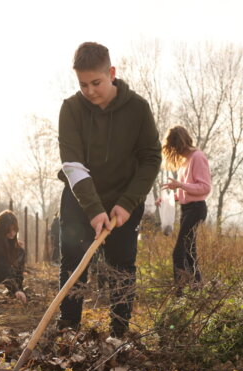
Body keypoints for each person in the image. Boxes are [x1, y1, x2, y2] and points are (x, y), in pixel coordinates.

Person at [57, 42, 161, 337]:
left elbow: (151, 158)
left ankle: (119, 331)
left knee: (122, 264)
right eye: (83, 84)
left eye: (96, 82)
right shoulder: (71, 109)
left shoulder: (138, 108)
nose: (89, 91)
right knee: (73, 259)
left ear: (112, 73)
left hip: (123, 201)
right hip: (80, 198)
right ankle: (67, 327)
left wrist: (128, 203)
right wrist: (92, 209)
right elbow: (73, 164)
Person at [158, 125, 210, 289]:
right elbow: (185, 192)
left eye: (175, 148)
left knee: (178, 254)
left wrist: (180, 184)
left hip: (196, 209)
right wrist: (168, 200)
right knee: (189, 253)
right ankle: (197, 289)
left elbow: (204, 188)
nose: (175, 152)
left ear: (180, 144)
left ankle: (179, 295)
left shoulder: (198, 157)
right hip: (187, 209)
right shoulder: (185, 161)